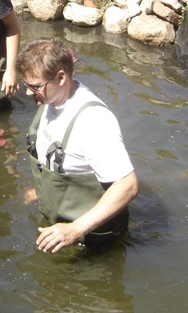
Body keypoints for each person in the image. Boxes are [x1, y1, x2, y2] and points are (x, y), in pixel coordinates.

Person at [17, 37, 138, 254]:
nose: (27, 93)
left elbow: (127, 185)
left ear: (61, 77)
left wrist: (74, 229)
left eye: (34, 86)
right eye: (26, 85)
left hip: (93, 241)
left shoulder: (93, 122)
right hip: (57, 229)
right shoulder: (50, 100)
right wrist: (40, 190)